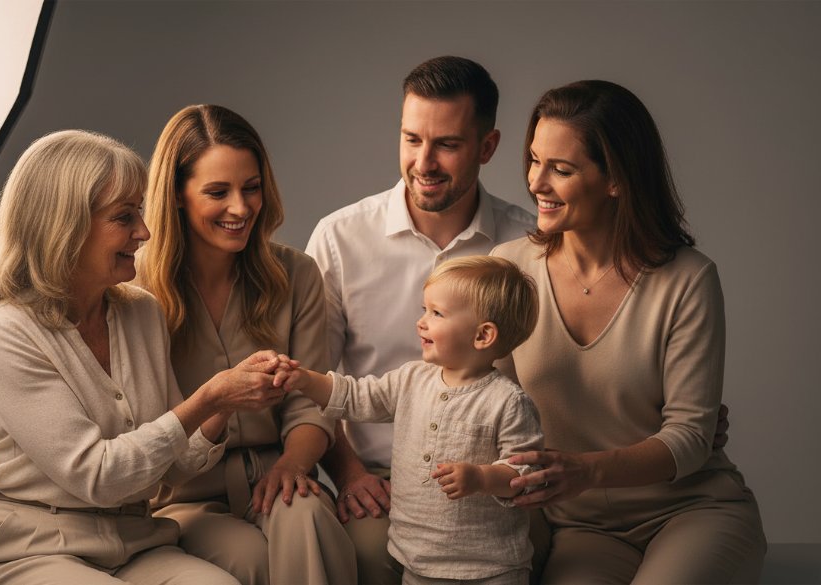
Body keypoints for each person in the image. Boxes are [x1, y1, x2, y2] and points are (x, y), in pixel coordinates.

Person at [0, 107, 356, 585]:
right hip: (36, 542)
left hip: (132, 536)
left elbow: (182, 453)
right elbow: (98, 471)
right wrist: (212, 396)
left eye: (250, 187)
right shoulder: (6, 329)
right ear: (65, 225)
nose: (143, 232)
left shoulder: (137, 309)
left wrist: (225, 400)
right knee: (248, 559)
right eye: (125, 217)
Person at [492, 80, 766, 583]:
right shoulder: (509, 269)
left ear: (615, 179)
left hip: (694, 511)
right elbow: (485, 400)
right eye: (534, 160)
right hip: (583, 529)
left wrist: (586, 470)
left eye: (562, 168)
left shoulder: (688, 279)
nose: (536, 183)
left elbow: (689, 437)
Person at [305, 56, 535, 584]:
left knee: (532, 558)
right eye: (412, 139)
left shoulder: (525, 245)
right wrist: (350, 472)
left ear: (488, 147)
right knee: (369, 560)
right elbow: (318, 382)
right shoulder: (340, 239)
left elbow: (560, 371)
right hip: (378, 479)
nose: (423, 162)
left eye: (447, 144)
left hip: (497, 484)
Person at [134, 104, 355, 585]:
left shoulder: (296, 274)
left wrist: (295, 465)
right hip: (184, 500)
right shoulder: (133, 290)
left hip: (283, 472)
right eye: (218, 192)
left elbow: (310, 405)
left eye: (251, 188)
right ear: (176, 194)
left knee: (310, 516)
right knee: (250, 561)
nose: (240, 207)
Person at [277, 256, 543, 585]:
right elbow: (356, 397)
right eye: (423, 310)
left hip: (490, 567)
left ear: (483, 335)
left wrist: (482, 478)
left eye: (437, 313)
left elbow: (525, 474)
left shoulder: (508, 402)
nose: (421, 322)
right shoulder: (411, 380)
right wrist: (304, 379)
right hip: (417, 559)